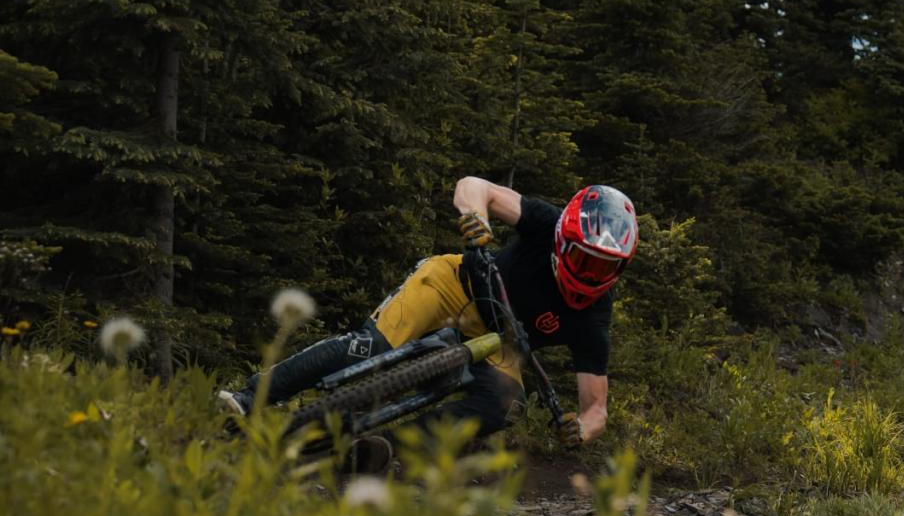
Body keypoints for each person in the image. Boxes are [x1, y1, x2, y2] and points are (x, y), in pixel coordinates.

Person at [221, 179, 638, 470]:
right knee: (370, 347)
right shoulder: (546, 222)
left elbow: (596, 407)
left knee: (504, 406)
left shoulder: (595, 313)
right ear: (564, 239)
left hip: (502, 342)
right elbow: (477, 186)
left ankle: (380, 449)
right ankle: (246, 399)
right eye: (583, 258)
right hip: (455, 285)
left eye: (603, 266)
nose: (589, 273)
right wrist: (476, 216)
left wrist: (580, 430)